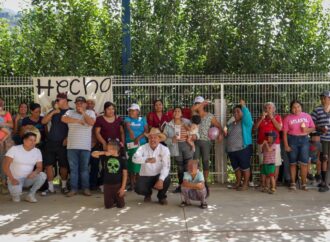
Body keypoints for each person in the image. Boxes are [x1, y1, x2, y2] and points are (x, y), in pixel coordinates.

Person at [62, 96, 96, 197]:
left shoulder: (90, 113)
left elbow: (91, 122)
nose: (79, 105)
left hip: (85, 146)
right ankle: (73, 189)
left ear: (85, 104)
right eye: (77, 103)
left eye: (81, 103)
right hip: (72, 146)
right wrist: (78, 121)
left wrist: (83, 113)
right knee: (73, 169)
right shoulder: (70, 112)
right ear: (75, 104)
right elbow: (63, 119)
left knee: (84, 169)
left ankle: (86, 188)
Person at [2, 132, 46, 202]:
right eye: (30, 140)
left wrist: (34, 172)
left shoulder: (37, 151)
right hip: (15, 179)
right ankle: (15, 194)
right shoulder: (14, 149)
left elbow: (39, 167)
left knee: (42, 175)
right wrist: (12, 179)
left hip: (28, 178)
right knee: (16, 200)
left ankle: (30, 195)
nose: (33, 142)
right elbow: (5, 166)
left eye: (34, 140)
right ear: (24, 141)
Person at [41, 93, 71, 194]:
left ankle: (63, 186)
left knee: (64, 165)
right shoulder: (53, 111)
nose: (57, 102)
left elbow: (74, 128)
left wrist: (67, 138)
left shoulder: (71, 111)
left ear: (65, 100)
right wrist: (54, 111)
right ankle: (50, 188)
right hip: (50, 142)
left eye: (58, 100)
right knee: (48, 165)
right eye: (56, 100)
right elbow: (44, 122)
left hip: (63, 143)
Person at [133, 128, 171, 205]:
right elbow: (134, 158)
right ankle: (148, 194)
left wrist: (161, 179)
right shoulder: (142, 147)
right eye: (150, 137)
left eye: (155, 137)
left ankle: (161, 197)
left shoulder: (165, 149)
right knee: (138, 188)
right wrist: (146, 160)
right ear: (148, 139)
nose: (152, 139)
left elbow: (166, 166)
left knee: (166, 178)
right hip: (146, 175)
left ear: (159, 139)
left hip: (158, 175)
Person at [283, 100, 315, 191]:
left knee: (304, 163)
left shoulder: (307, 116)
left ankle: (304, 184)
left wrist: (306, 130)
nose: (296, 109)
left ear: (301, 107)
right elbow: (284, 133)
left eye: (298, 106)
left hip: (304, 140)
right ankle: (293, 183)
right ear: (291, 109)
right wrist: (286, 145)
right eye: (294, 107)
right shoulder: (288, 118)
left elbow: (313, 127)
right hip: (292, 140)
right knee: (292, 163)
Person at [93, 102, 125, 191]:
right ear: (105, 110)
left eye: (112, 109)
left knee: (118, 165)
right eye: (108, 109)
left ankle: (119, 185)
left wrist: (123, 143)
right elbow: (97, 133)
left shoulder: (118, 119)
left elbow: (122, 132)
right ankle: (104, 184)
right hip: (105, 147)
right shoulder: (99, 119)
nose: (111, 111)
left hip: (118, 147)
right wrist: (104, 143)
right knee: (106, 166)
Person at [191, 96, 223, 181]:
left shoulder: (210, 116)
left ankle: (205, 181)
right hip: (195, 141)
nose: (197, 105)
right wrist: (201, 103)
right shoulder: (194, 114)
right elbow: (193, 108)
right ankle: (196, 180)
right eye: (196, 104)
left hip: (206, 142)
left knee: (205, 161)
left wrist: (220, 134)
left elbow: (218, 125)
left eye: (199, 103)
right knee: (195, 161)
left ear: (204, 105)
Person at [163, 107, 194, 193]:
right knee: (180, 168)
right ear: (173, 113)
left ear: (181, 114)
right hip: (175, 147)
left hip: (187, 145)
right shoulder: (168, 125)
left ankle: (188, 186)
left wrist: (195, 136)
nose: (177, 112)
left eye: (179, 111)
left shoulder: (187, 122)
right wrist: (171, 140)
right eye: (175, 111)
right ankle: (181, 186)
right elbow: (164, 138)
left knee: (188, 167)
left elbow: (195, 131)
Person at [225, 99, 253, 191]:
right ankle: (238, 183)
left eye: (238, 111)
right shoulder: (231, 123)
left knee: (245, 167)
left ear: (242, 113)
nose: (235, 113)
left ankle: (245, 184)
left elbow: (247, 117)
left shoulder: (245, 123)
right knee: (236, 168)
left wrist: (244, 107)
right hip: (232, 150)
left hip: (243, 149)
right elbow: (227, 134)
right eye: (234, 112)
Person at [91, 140, 127, 209]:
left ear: (115, 150)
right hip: (107, 184)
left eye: (109, 149)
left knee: (121, 205)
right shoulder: (106, 157)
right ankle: (112, 199)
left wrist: (123, 188)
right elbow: (93, 154)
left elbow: (125, 175)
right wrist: (104, 152)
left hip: (118, 185)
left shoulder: (122, 159)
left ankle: (116, 199)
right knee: (108, 206)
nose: (107, 150)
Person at [254, 102, 283, 185]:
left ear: (274, 109)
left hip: (274, 144)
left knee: (275, 163)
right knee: (263, 163)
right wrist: (261, 119)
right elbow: (254, 128)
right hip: (262, 144)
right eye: (266, 108)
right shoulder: (261, 118)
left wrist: (272, 118)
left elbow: (279, 128)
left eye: (270, 108)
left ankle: (273, 183)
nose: (267, 109)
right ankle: (263, 184)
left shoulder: (277, 117)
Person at [124, 103, 148, 191]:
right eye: (130, 110)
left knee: (140, 163)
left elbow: (146, 130)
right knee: (131, 164)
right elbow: (128, 126)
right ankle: (132, 184)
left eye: (133, 110)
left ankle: (139, 183)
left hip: (141, 144)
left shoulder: (143, 119)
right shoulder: (127, 119)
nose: (130, 112)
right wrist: (130, 131)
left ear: (138, 111)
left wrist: (138, 138)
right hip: (130, 144)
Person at [311, 91, 330, 192]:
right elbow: (311, 123)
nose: (323, 100)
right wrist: (320, 128)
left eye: (325, 98)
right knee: (324, 159)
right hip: (322, 139)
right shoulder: (317, 110)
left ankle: (326, 182)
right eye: (321, 98)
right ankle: (323, 181)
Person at [0, 97, 14, 194]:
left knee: (3, 162)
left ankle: (4, 184)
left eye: (1, 103)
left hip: (4, 143)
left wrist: (2, 124)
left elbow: (12, 125)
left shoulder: (7, 114)